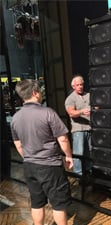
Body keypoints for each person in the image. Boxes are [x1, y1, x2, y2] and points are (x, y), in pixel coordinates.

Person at [10, 79, 73, 225]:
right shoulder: (48, 112)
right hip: (50, 166)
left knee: (36, 202)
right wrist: (68, 156)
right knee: (58, 204)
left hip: (29, 166)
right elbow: (63, 139)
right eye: (40, 91)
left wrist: (29, 157)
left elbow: (18, 144)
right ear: (35, 93)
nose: (41, 93)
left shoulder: (15, 118)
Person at [65, 75, 91, 175]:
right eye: (78, 85)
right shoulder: (70, 99)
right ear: (73, 86)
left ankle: (89, 171)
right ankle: (78, 174)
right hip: (78, 130)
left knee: (90, 151)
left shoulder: (88, 95)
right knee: (78, 152)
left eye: (81, 84)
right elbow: (71, 113)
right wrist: (81, 112)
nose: (80, 86)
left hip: (89, 128)